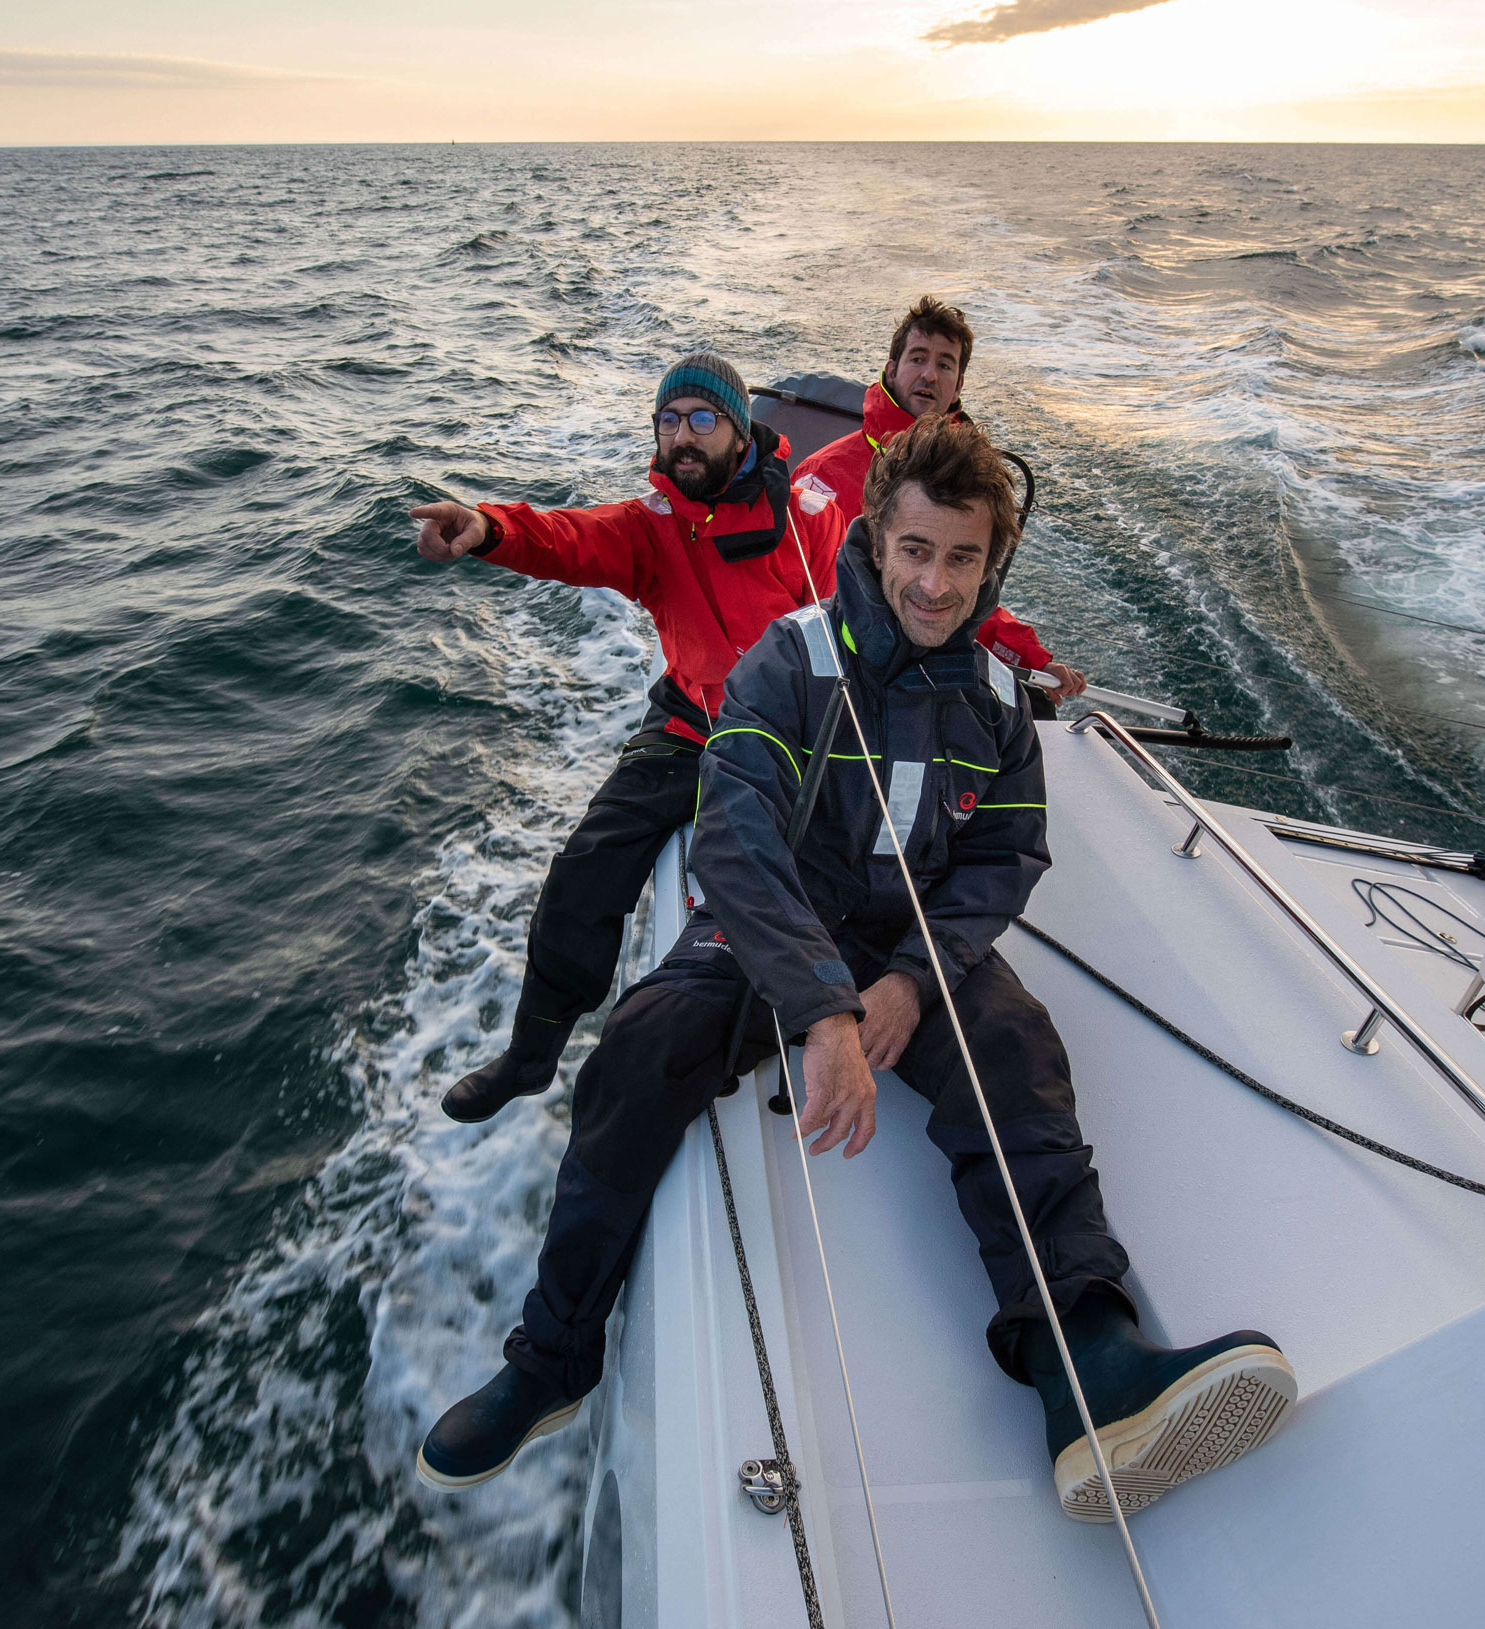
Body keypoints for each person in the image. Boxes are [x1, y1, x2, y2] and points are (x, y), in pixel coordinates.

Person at [418, 416, 1296, 1521]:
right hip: (772, 925)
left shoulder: (993, 702)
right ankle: (552, 1359)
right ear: (878, 538)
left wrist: (913, 982)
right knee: (638, 1051)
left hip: (906, 941)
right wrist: (824, 1010)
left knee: (1017, 1053)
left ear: (991, 563)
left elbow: (1002, 855)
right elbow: (734, 838)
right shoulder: (789, 661)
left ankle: (1087, 1364)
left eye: (963, 558)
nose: (935, 583)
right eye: (916, 550)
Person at [411, 351, 1077, 1128]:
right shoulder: (649, 528)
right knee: (587, 867)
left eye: (703, 419)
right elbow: (567, 538)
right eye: (669, 421)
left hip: (792, 726)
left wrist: (1023, 654)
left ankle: (799, 993)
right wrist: (488, 529)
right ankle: (533, 1050)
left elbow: (921, 592)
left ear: (738, 430)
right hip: (691, 721)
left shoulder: (805, 516)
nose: (683, 437)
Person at [792, 294, 1087, 712]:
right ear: (892, 369)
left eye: (945, 364)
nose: (929, 374)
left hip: (931, 666)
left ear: (958, 386)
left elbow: (964, 590)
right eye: (917, 358)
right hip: (842, 673)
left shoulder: (968, 482)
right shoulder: (822, 477)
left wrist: (1034, 662)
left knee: (1034, 708)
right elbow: (797, 599)